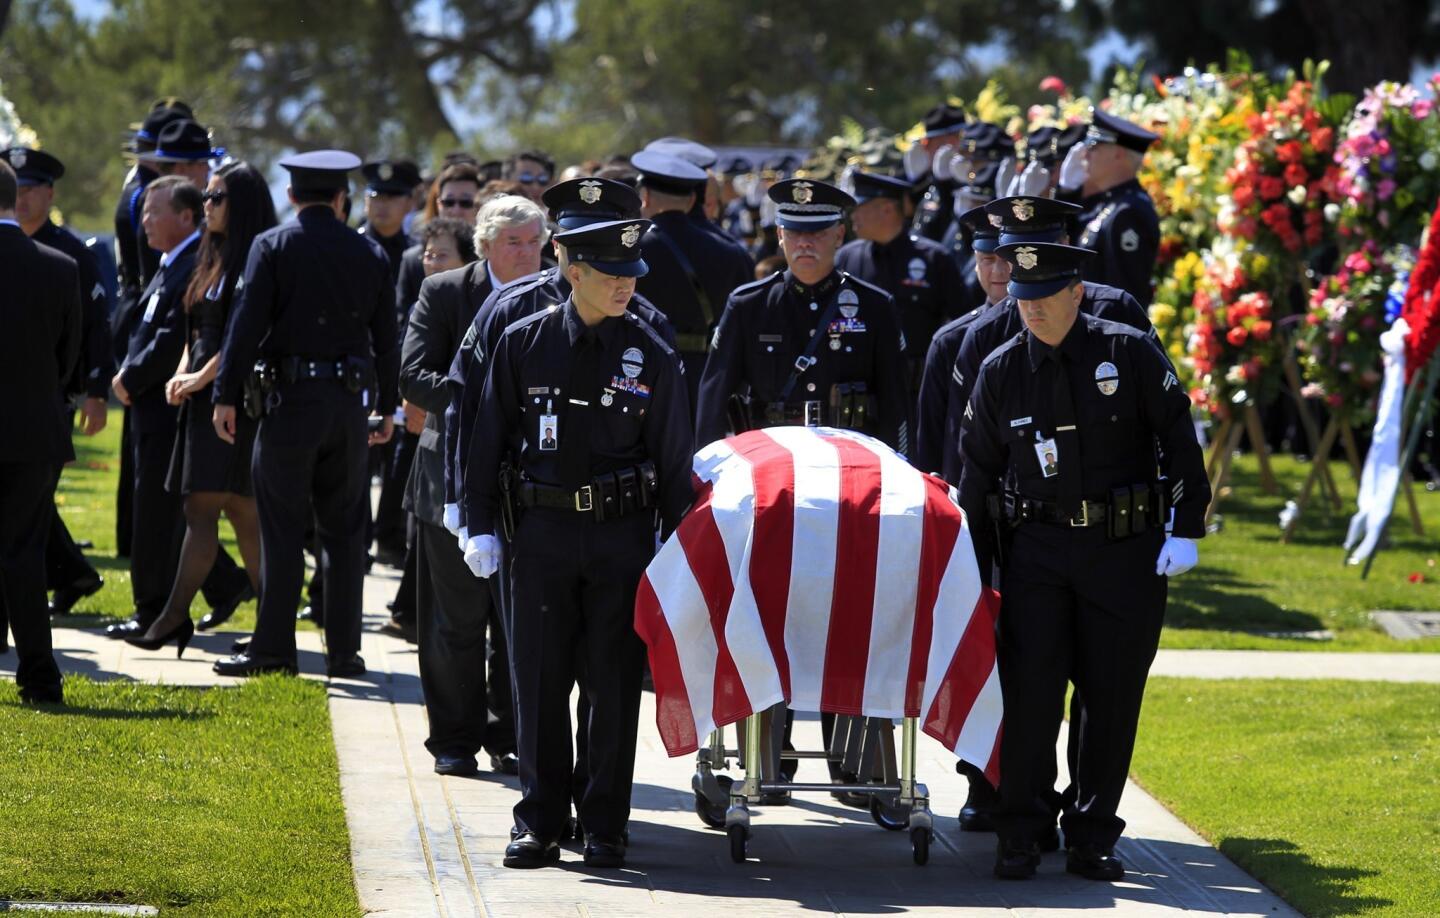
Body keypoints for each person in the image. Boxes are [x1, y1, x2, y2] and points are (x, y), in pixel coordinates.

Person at [957, 240, 1208, 881]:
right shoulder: (1001, 369)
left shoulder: (1127, 351)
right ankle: (1022, 829)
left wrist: (1187, 528)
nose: (1031, 312)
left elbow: (1180, 442)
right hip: (1036, 553)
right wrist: (972, 566)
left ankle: (1093, 834)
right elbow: (979, 476)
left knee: (1110, 697)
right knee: (1031, 697)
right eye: (1021, 300)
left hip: (1121, 552)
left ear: (1076, 293)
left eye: (1044, 299)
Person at [461, 217, 693, 869]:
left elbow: (674, 459)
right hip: (540, 535)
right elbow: (488, 441)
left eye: (632, 275)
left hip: (621, 538)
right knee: (537, 683)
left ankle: (604, 824)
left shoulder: (650, 349)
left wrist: (679, 552)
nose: (626, 286)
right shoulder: (522, 339)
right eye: (612, 275)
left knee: (611, 686)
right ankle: (538, 819)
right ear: (575, 272)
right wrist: (478, 522)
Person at [211, 150, 398, 678]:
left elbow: (245, 327)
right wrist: (386, 406)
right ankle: (345, 650)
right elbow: (387, 340)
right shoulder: (368, 254)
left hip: (289, 404)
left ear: (292, 196)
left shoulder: (272, 245)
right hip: (347, 406)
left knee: (282, 528)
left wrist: (225, 395)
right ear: (341, 199)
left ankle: (274, 647)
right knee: (343, 531)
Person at [399, 197, 542, 778]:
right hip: (449, 482)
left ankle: (510, 735)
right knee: (453, 624)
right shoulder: (445, 292)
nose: (530, 254)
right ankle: (454, 740)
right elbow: (414, 375)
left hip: (524, 484)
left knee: (519, 622)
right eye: (516, 243)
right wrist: (490, 402)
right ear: (485, 245)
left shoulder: (557, 293)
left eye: (537, 242)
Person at [122, 162, 277, 654]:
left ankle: (176, 618)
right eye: (206, 198)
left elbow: (242, 338)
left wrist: (199, 378)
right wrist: (182, 373)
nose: (206, 205)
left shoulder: (256, 256)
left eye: (215, 198)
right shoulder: (212, 255)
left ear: (241, 204)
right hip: (202, 398)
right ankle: (196, 619)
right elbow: (198, 329)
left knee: (230, 511)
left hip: (230, 399)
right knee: (211, 510)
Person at [695, 177, 910, 454]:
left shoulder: (875, 307)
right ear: (781, 235)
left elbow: (896, 404)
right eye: (795, 233)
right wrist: (707, 476)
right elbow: (713, 400)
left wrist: (900, 465)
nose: (805, 244)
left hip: (851, 459)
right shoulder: (748, 305)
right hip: (771, 457)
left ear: (839, 235)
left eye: (817, 233)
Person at [0, 146, 112, 616]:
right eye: (17, 190)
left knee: (31, 507)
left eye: (32, 191)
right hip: (38, 400)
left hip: (50, 400)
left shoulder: (69, 254)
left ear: (49, 194)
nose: (24, 200)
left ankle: (65, 574)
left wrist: (92, 389)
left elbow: (93, 327)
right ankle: (71, 572)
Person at [106, 176, 208, 640]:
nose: (143, 220)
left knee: (155, 512)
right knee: (155, 509)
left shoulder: (192, 262)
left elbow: (171, 339)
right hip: (147, 407)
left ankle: (151, 611)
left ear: (186, 216)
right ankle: (221, 590)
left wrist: (130, 376)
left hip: (163, 407)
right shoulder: (172, 261)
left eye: (154, 211)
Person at [0, 159, 80, 700]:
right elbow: (67, 359)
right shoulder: (60, 267)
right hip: (35, 430)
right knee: (22, 550)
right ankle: (39, 675)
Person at [110, 101, 194, 557]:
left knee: (146, 456)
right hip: (146, 308)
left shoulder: (142, 188)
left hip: (141, 311)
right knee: (151, 455)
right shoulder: (151, 196)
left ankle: (139, 543)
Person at [631, 149, 753, 406]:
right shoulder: (732, 251)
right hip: (711, 375)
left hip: (644, 371)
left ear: (646, 197)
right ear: (690, 202)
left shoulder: (633, 249)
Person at [835, 169, 966, 398]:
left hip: (917, 390)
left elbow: (961, 322)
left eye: (859, 208)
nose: (852, 216)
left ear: (886, 208)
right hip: (862, 391)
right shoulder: (847, 257)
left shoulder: (933, 258)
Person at [913, 205, 1010, 486]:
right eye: (987, 259)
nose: (998, 270)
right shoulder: (950, 341)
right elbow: (931, 440)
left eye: (1007, 259)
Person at [1056, 109, 1161, 305]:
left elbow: (1123, 297)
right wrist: (1066, 193)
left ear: (1118, 154)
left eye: (1093, 145)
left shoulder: (1128, 211)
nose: (1085, 154)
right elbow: (1066, 245)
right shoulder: (1110, 204)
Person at [910, 102, 969, 243]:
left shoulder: (969, 182)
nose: (925, 148)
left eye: (930, 142)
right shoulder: (927, 182)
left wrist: (946, 184)